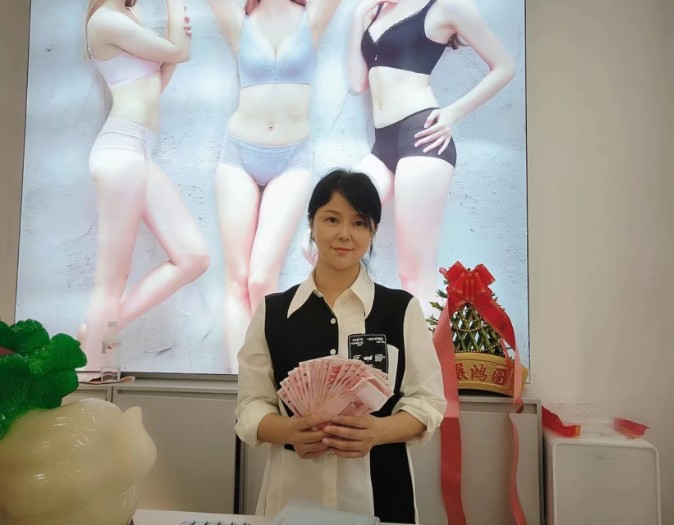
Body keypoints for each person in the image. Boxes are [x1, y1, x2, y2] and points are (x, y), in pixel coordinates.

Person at [235, 169, 446, 523]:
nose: (345, 234)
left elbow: (428, 402)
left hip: (382, 495)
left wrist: (379, 431)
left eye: (359, 222)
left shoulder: (400, 309)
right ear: (311, 223)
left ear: (373, 230)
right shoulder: (273, 312)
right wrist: (288, 431)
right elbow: (250, 406)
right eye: (332, 219)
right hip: (293, 495)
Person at [347, 0, 516, 311]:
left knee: (413, 278)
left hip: (422, 139)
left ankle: (425, 345)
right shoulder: (378, 10)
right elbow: (358, 82)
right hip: (383, 147)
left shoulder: (445, 6)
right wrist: (359, 15)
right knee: (322, 230)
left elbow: (505, 66)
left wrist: (452, 113)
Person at [205, 0, 343, 371]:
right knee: (237, 281)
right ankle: (239, 385)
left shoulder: (312, 17)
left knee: (261, 278)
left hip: (292, 159)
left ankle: (270, 381)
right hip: (238, 156)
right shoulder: (239, 18)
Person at [81, 0, 209, 368]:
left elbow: (156, 81)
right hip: (120, 150)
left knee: (193, 257)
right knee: (112, 278)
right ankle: (92, 370)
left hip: (139, 151)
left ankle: (93, 334)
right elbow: (178, 51)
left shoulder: (127, 15)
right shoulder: (105, 19)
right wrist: (174, 14)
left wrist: (171, 45)